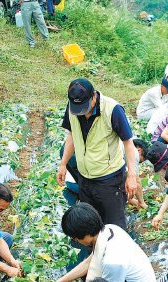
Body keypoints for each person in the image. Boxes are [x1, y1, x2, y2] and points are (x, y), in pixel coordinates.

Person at [56, 78, 138, 230]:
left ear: (93, 96)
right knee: (91, 226)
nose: (82, 111)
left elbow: (128, 142)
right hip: (85, 178)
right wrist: (63, 164)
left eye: (84, 106)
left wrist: (132, 175)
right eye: (78, 107)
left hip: (109, 179)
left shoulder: (112, 109)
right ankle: (94, 253)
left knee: (114, 227)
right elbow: (72, 135)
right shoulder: (74, 106)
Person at [57, 203, 156, 282]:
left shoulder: (112, 262)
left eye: (75, 238)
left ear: (86, 233)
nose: (76, 240)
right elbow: (89, 261)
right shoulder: (109, 229)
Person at [130, 139, 150, 210]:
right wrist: (142, 203)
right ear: (139, 150)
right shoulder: (134, 154)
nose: (139, 162)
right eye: (141, 160)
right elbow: (137, 182)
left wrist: (131, 200)